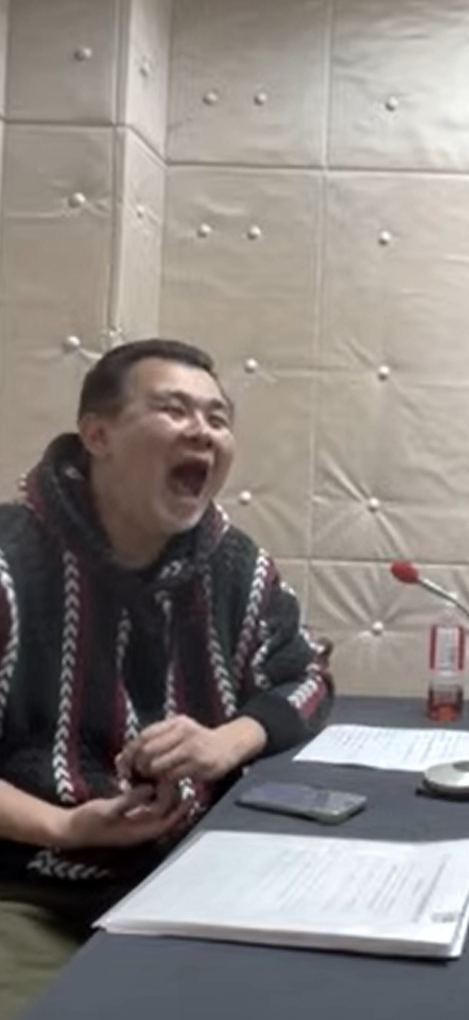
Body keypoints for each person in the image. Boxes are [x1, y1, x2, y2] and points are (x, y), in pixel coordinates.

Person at [0, 339, 334, 1017]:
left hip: (194, 876)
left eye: (218, 418)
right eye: (175, 410)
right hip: (28, 891)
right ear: (98, 435)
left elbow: (307, 677)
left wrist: (227, 741)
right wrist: (65, 828)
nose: (202, 431)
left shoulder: (234, 564)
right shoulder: (10, 562)